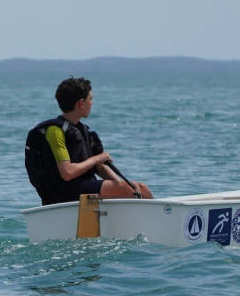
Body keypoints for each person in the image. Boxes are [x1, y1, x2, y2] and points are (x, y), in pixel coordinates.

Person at [25, 76, 153, 205]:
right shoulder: (55, 130)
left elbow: (99, 169)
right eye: (90, 99)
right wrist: (98, 158)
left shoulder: (81, 130)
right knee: (132, 190)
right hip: (64, 192)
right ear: (81, 103)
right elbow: (67, 173)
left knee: (140, 188)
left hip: (85, 186)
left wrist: (124, 184)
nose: (92, 103)